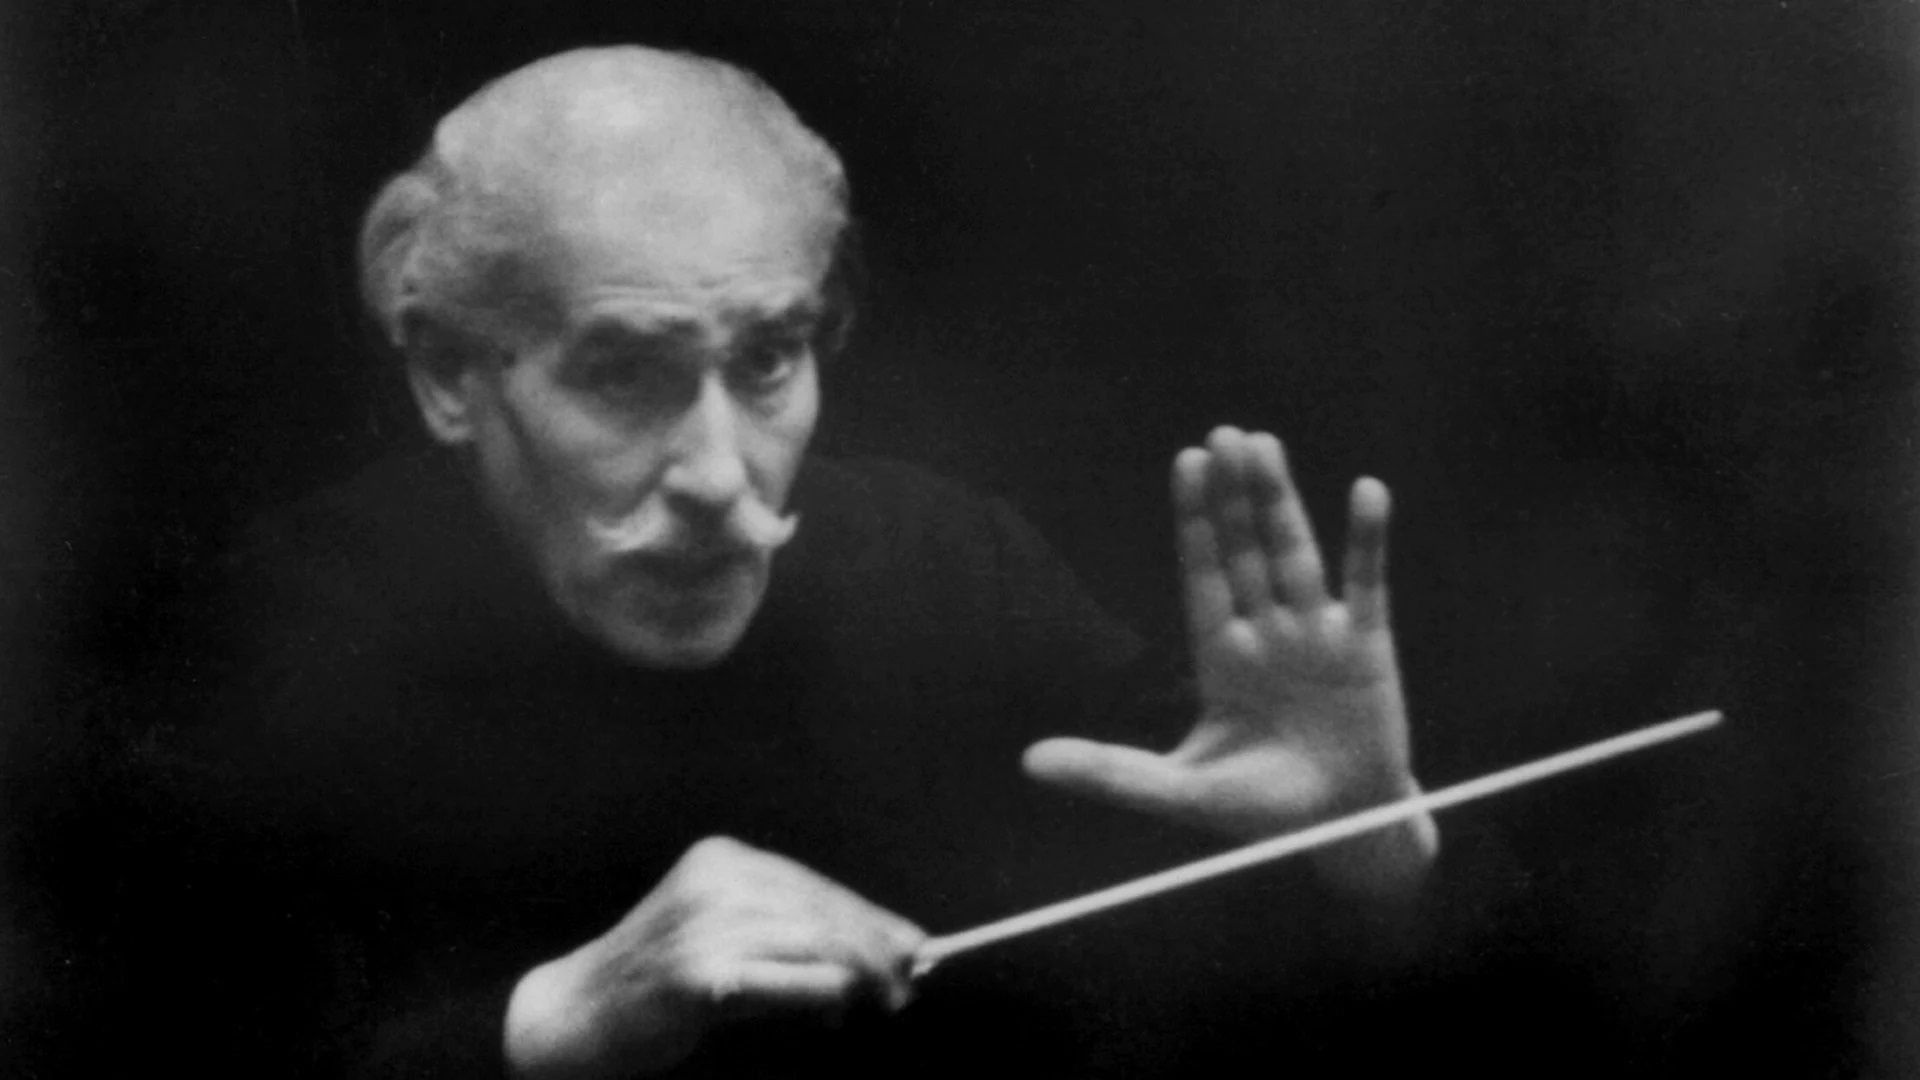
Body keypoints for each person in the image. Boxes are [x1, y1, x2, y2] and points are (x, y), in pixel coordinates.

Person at [121, 44, 1438, 1078]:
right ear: (447, 375)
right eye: (622, 371)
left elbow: (1275, 1002)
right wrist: (566, 1016)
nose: (716, 474)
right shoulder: (266, 645)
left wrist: (1365, 843)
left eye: (765, 358)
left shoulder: (946, 565)